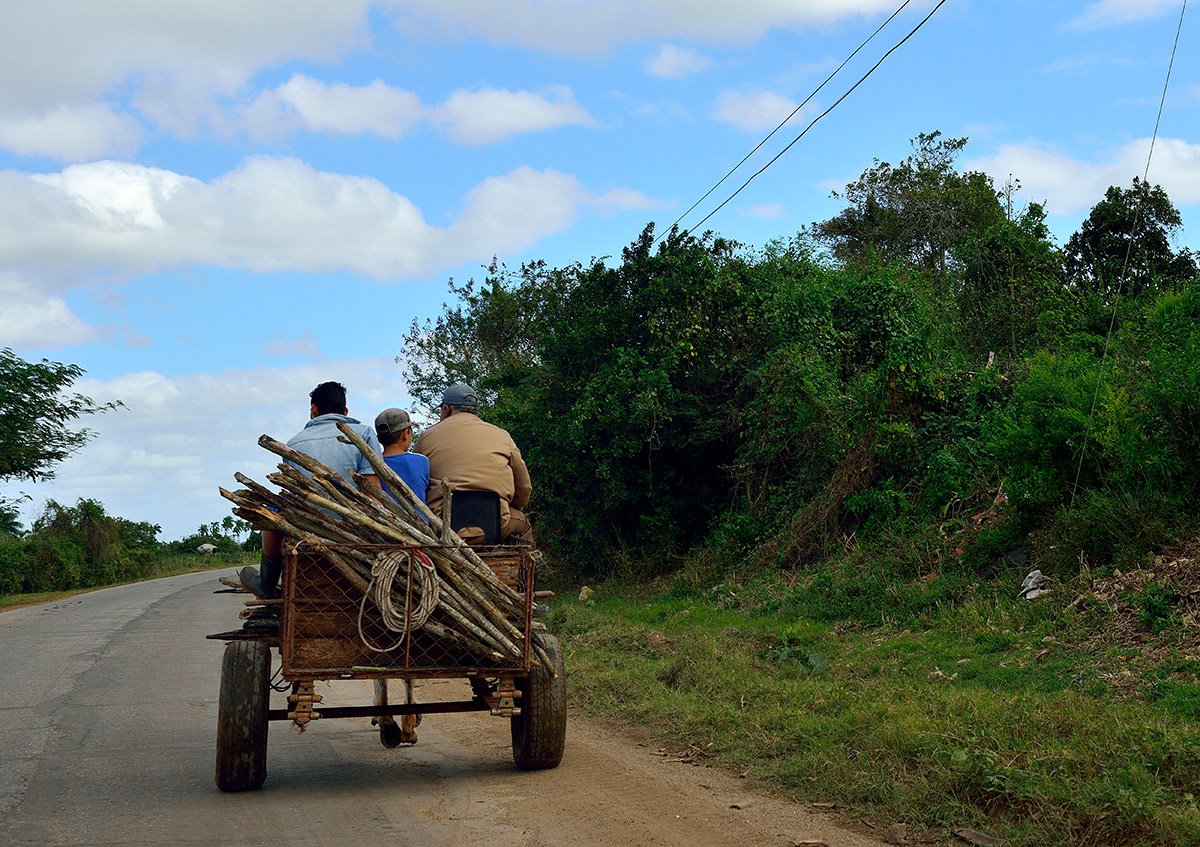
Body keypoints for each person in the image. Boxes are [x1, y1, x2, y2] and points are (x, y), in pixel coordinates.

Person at [240, 381, 381, 604]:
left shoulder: (294, 443)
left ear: (313, 410)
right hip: (354, 532)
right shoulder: (363, 434)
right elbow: (373, 493)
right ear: (345, 412)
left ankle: (266, 582)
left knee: (273, 509)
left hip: (305, 532)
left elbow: (291, 495)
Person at [414, 383, 533, 543]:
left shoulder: (426, 437)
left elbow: (415, 481)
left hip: (443, 526)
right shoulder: (502, 436)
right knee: (523, 523)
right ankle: (521, 565)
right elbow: (524, 487)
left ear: (446, 409)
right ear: (475, 410)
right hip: (496, 525)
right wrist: (514, 506)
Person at [374, 407, 430, 515]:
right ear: (405, 433)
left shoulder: (372, 464)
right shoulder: (422, 462)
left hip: (386, 525)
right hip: (419, 529)